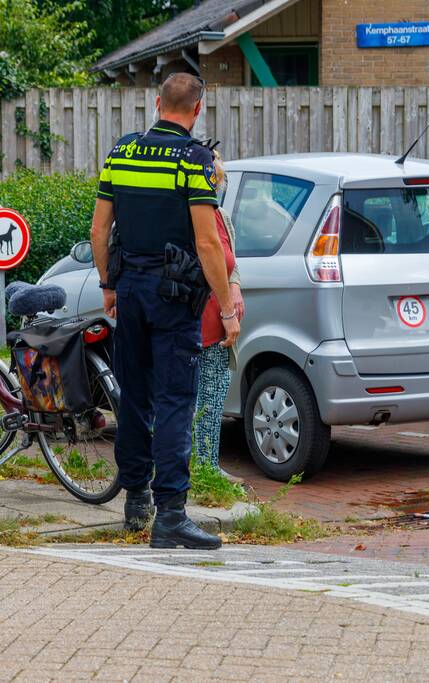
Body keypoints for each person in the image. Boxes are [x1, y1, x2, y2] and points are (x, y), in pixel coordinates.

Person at [90, 72, 240, 550]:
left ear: (157, 104)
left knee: (135, 394)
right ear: (197, 110)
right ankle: (171, 513)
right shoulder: (193, 160)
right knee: (176, 398)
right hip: (175, 296)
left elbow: (99, 229)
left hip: (130, 289)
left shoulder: (122, 152)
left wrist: (108, 283)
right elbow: (206, 241)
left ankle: (136, 501)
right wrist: (227, 306)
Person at [193, 153, 245, 483]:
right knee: (201, 396)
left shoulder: (221, 216)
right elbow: (208, 260)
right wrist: (228, 312)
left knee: (214, 393)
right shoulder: (194, 219)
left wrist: (236, 287)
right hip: (201, 320)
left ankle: (207, 466)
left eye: (218, 180)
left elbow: (231, 262)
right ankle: (202, 470)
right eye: (213, 179)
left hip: (219, 319)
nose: (215, 186)